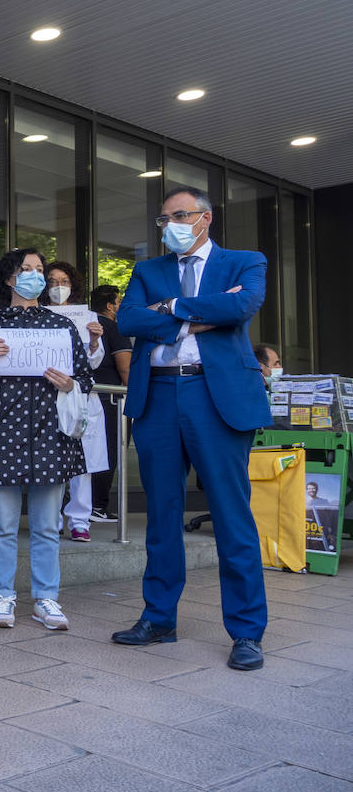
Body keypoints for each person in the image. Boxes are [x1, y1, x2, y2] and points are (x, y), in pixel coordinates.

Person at [112, 186, 271, 671]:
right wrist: (194, 314)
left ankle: (246, 631)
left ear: (206, 218)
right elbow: (130, 318)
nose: (171, 225)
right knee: (161, 514)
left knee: (231, 514)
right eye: (164, 219)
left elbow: (240, 308)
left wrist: (171, 309)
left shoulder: (246, 261)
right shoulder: (147, 270)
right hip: (158, 394)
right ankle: (159, 618)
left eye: (179, 216)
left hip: (215, 396)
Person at [0, 247, 92, 632]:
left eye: (40, 270)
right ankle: (4, 595)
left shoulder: (62, 326)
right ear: (9, 278)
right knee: (2, 525)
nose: (35, 276)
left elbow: (83, 378)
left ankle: (46, 598)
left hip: (50, 437)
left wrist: (70, 383)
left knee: (47, 526)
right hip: (2, 435)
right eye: (26, 269)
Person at [45, 261, 108, 542]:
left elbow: (94, 361)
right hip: (46, 393)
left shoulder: (87, 316)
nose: (59, 287)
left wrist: (94, 342)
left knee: (82, 463)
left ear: (73, 285)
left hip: (79, 393)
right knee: (51, 457)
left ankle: (79, 520)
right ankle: (52, 517)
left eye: (64, 281)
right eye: (53, 281)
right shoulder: (37, 314)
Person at [89, 284, 132, 521]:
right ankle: (98, 505)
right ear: (109, 306)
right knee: (109, 450)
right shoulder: (113, 328)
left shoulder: (85, 323)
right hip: (111, 398)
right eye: (119, 302)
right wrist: (136, 402)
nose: (121, 306)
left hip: (83, 395)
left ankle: (84, 504)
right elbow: (125, 368)